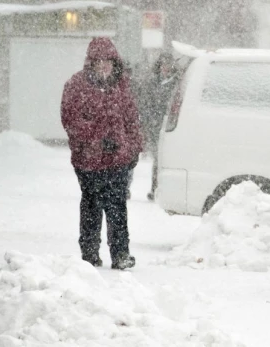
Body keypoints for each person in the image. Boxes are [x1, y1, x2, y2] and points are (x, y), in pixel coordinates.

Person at [61, 37, 143, 270]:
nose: (104, 65)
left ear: (114, 62)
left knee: (117, 207)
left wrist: (134, 147)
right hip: (88, 161)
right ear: (91, 62)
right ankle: (89, 254)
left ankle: (120, 254)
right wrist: (97, 141)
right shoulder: (76, 86)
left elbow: (132, 120)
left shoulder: (122, 86)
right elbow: (71, 121)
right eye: (99, 61)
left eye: (108, 61)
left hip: (118, 158)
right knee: (92, 205)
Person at [139, 52, 180, 201]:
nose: (166, 68)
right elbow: (146, 104)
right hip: (156, 127)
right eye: (163, 64)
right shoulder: (152, 83)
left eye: (168, 65)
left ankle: (167, 189)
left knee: (168, 160)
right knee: (158, 159)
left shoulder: (177, 83)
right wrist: (147, 123)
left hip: (171, 126)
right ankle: (155, 188)